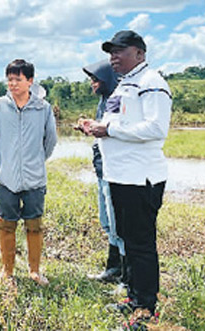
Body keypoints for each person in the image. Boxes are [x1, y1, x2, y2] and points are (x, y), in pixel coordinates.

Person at [83, 30, 172, 327]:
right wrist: (96, 126)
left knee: (141, 243)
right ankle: (133, 297)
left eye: (120, 51)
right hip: (120, 177)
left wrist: (109, 131)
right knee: (128, 241)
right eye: (111, 52)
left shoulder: (152, 84)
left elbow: (156, 128)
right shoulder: (123, 86)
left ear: (140, 54)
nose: (113, 57)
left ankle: (146, 306)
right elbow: (117, 123)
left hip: (141, 178)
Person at [0, 59, 57, 285]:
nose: (12, 84)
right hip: (6, 178)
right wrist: (8, 159)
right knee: (6, 223)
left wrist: (33, 161)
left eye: (18, 79)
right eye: (10, 79)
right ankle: (7, 271)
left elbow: (50, 141)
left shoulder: (42, 109)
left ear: (30, 81)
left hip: (34, 178)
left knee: (34, 225)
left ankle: (34, 271)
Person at [79, 60, 125, 284]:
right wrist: (90, 127)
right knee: (107, 222)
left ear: (107, 78)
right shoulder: (104, 101)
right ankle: (113, 268)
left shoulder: (119, 99)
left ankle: (125, 275)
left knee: (118, 224)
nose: (92, 83)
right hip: (101, 169)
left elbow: (118, 131)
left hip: (114, 170)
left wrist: (99, 129)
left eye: (95, 79)